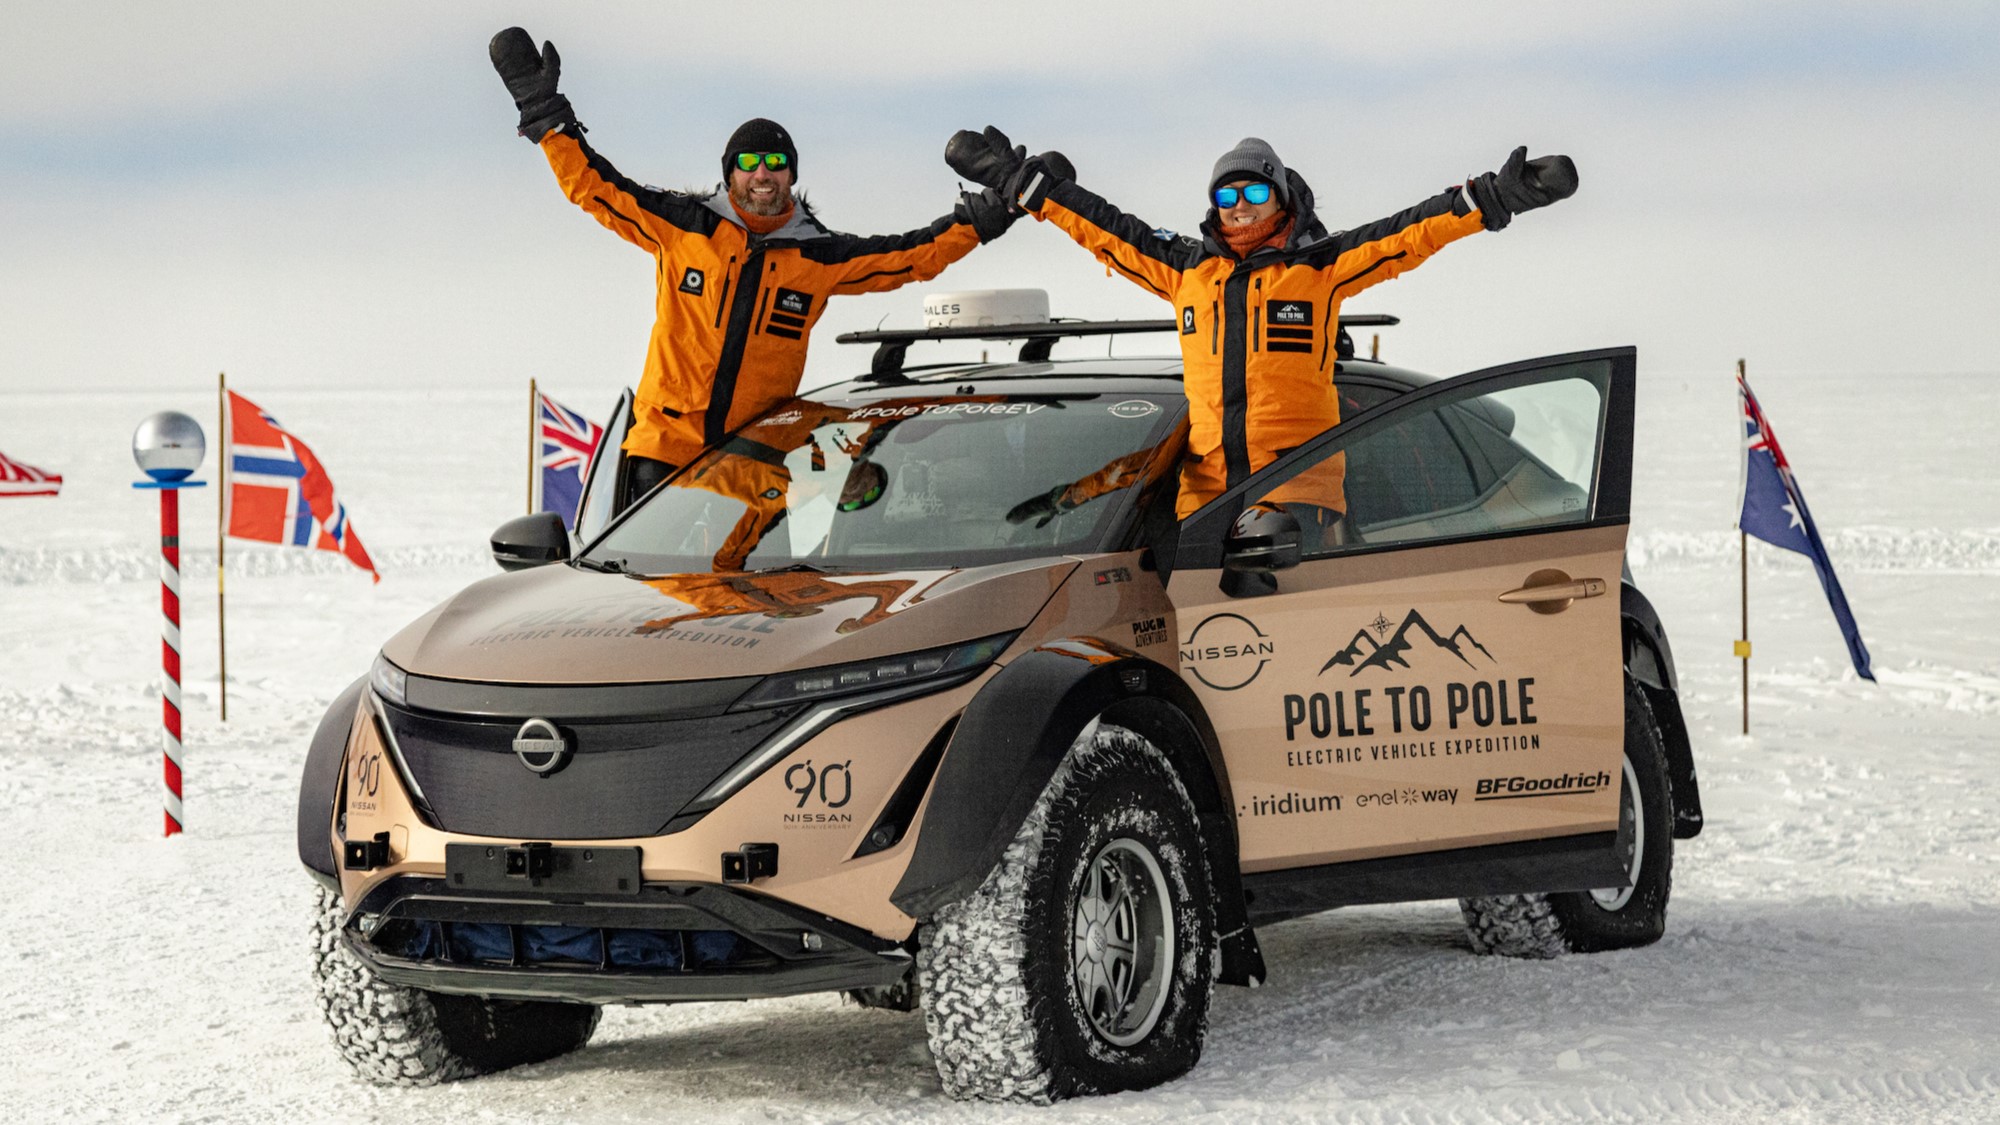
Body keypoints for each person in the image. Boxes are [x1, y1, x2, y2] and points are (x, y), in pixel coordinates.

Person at [489, 28, 1021, 509]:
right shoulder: (683, 225)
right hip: (664, 456)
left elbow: (910, 256)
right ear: (729, 174)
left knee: (755, 598)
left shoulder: (819, 256)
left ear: (791, 174)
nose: (761, 173)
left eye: (774, 162)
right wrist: (547, 119)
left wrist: (981, 221)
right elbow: (596, 187)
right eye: (747, 163)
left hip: (756, 454)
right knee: (658, 601)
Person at [946, 128, 1577, 526]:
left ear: (1281, 199)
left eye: (1253, 193)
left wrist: (1495, 197)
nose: (1240, 208)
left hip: (1296, 498)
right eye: (1227, 197)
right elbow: (1105, 226)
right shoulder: (1187, 271)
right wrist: (1017, 183)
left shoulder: (1317, 269)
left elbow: (1409, 231)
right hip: (1207, 503)